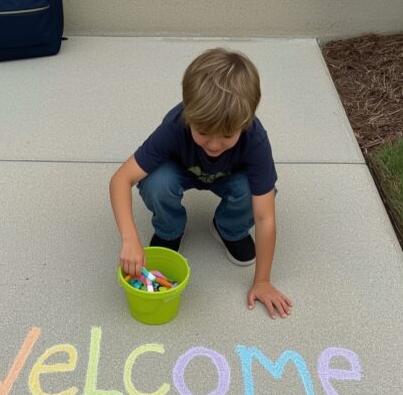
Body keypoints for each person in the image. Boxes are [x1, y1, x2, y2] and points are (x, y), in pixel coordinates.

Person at [109, 47, 293, 319]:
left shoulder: (255, 139)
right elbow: (120, 180)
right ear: (189, 115)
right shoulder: (175, 125)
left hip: (231, 179)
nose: (214, 145)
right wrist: (130, 239)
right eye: (203, 132)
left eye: (227, 136)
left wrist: (263, 281)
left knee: (255, 192)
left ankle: (229, 228)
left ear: (245, 122)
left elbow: (265, 217)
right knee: (156, 182)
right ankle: (169, 229)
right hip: (179, 172)